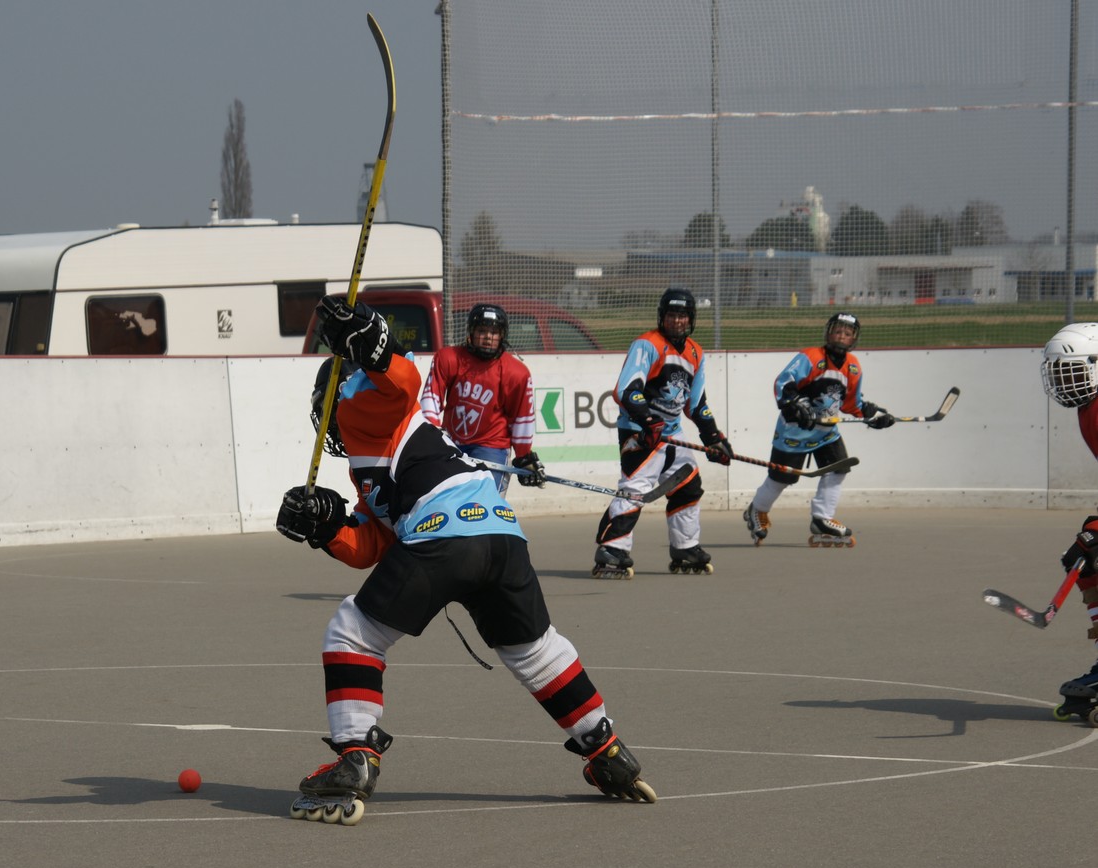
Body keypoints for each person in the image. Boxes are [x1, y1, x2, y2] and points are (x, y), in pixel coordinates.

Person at [275, 295, 656, 822]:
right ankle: (605, 749)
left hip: (444, 531)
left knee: (351, 634)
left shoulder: (363, 408)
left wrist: (372, 342)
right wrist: (327, 528)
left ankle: (355, 756)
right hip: (500, 534)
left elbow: (401, 382)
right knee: (534, 650)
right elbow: (372, 543)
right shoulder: (379, 455)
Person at [591, 287, 733, 579]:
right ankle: (612, 549)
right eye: (671, 315)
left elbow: (696, 404)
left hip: (672, 434)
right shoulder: (647, 345)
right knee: (635, 488)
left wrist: (714, 438)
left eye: (682, 315)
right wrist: (648, 420)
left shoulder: (695, 352)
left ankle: (685, 547)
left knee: (688, 485)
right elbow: (626, 390)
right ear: (661, 317)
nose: (676, 321)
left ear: (691, 319)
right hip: (639, 430)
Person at [740, 312, 894, 548]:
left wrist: (871, 415)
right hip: (794, 432)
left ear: (854, 339)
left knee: (838, 469)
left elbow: (851, 403)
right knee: (781, 478)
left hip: (826, 433)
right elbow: (784, 382)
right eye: (838, 331)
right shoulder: (811, 357)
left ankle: (822, 518)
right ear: (828, 333)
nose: (841, 336)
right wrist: (793, 405)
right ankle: (757, 509)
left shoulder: (853, 367)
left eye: (847, 333)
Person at [418, 302, 546, 494]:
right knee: (442, 498)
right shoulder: (449, 358)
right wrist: (432, 436)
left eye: (494, 332)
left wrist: (523, 456)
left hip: (491, 448)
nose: (488, 337)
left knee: (484, 503)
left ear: (502, 336)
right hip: (451, 444)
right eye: (482, 331)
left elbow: (521, 418)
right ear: (471, 332)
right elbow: (431, 398)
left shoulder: (516, 372)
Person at [1039, 322, 1098, 720]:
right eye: (1058, 372)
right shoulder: (1088, 407)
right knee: (1086, 562)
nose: (1063, 380)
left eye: (1073, 370)